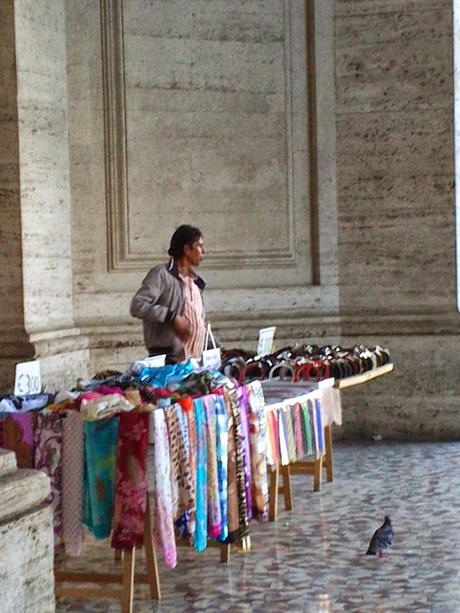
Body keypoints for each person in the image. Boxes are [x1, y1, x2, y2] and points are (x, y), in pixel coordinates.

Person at [130, 224, 206, 362]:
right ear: (187, 249)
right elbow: (137, 306)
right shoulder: (161, 275)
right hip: (169, 361)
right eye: (199, 246)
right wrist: (171, 317)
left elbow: (198, 322)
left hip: (194, 360)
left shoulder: (195, 282)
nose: (204, 251)